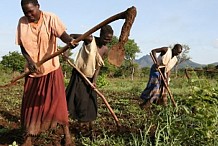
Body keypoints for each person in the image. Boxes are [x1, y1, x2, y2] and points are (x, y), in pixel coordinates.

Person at [16, 0, 74, 145]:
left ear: (38, 7)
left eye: (31, 11)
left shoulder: (50, 18)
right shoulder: (22, 22)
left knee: (58, 101)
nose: (29, 15)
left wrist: (70, 42)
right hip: (32, 71)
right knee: (31, 104)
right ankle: (29, 137)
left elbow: (63, 35)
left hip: (51, 68)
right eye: (25, 12)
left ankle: (67, 136)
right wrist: (30, 62)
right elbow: (22, 46)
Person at [65, 25, 113, 136]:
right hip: (79, 76)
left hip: (90, 78)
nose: (107, 41)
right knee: (78, 101)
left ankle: (89, 128)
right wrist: (67, 52)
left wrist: (94, 81)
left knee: (91, 103)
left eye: (109, 39)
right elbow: (72, 36)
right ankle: (78, 126)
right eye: (106, 38)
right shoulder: (89, 39)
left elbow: (98, 66)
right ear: (100, 35)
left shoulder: (105, 49)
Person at [139, 44, 183, 109]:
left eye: (179, 53)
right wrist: (156, 62)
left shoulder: (175, 60)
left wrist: (167, 80)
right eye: (178, 51)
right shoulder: (166, 50)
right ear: (174, 49)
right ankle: (146, 104)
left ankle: (157, 104)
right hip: (156, 70)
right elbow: (153, 51)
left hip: (164, 73)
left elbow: (168, 70)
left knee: (163, 89)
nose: (178, 54)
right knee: (155, 88)